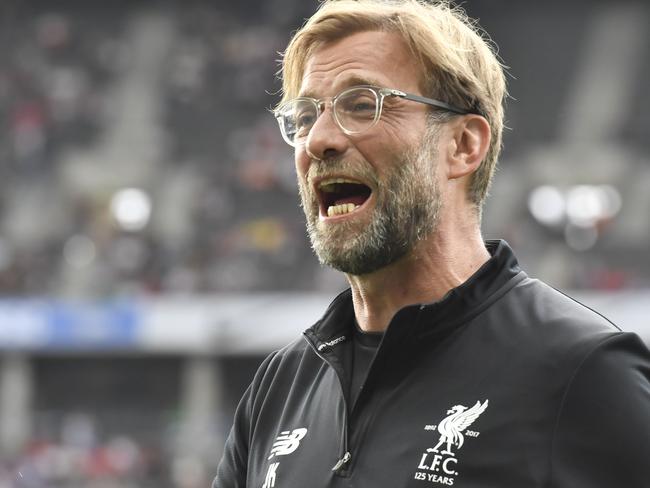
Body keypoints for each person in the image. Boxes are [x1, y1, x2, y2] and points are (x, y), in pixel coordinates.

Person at [214, 1, 650, 487]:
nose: (317, 140)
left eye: (361, 104)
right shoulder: (277, 390)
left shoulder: (584, 373)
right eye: (304, 116)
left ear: (463, 145)